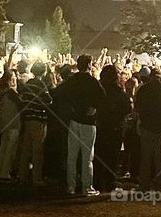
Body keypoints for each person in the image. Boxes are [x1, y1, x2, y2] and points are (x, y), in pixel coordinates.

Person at [53, 54, 105, 196]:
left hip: (74, 120)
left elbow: (56, 93)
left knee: (72, 155)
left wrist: (70, 105)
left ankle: (71, 186)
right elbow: (102, 98)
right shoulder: (93, 81)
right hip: (88, 122)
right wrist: (94, 106)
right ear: (89, 65)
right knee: (87, 157)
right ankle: (87, 187)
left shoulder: (72, 80)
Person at [135, 67, 161, 193]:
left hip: (146, 126)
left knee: (145, 158)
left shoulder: (144, 89)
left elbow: (138, 107)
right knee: (159, 159)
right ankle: (159, 186)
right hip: (160, 127)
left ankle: (144, 186)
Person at [94, 64, 130, 192]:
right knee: (112, 156)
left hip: (100, 126)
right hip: (115, 127)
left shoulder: (98, 89)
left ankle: (97, 180)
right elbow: (127, 108)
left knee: (99, 154)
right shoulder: (119, 92)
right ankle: (109, 181)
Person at [18, 61, 52, 186]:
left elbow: (23, 99)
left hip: (27, 119)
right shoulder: (41, 84)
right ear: (43, 71)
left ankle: (22, 175)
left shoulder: (28, 84)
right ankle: (36, 178)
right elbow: (49, 101)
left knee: (26, 149)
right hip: (38, 119)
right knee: (37, 150)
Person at [0, 70, 22, 180]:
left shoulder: (1, 93)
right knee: (10, 150)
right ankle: (5, 173)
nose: (16, 79)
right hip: (13, 123)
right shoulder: (12, 94)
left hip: (3, 123)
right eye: (14, 77)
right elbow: (21, 104)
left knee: (3, 148)